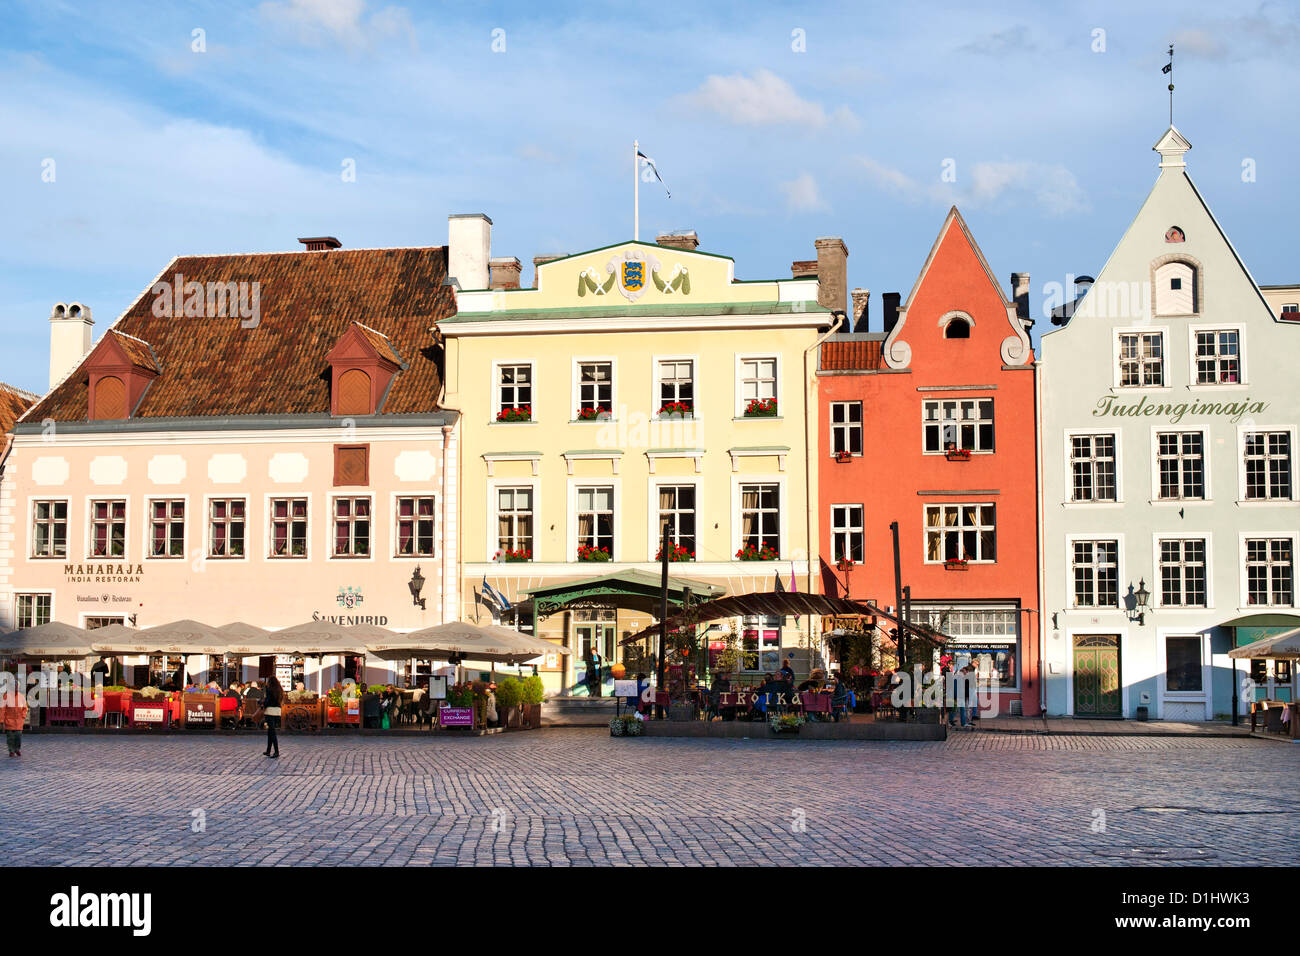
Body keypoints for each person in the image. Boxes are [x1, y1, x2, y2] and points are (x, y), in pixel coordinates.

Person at [0, 679, 29, 758]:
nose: (16, 687)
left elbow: (25, 708)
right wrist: (2, 721)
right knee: (10, 737)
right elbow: (2, 709)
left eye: (17, 686)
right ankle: (11, 750)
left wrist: (23, 716)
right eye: (14, 686)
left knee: (18, 736)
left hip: (19, 721)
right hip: (9, 720)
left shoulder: (21, 696)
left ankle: (17, 749)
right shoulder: (6, 696)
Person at [260, 677, 283, 758]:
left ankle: (276, 751)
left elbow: (268, 700)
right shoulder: (279, 690)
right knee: (270, 731)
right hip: (277, 711)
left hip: (270, 711)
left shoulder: (269, 689)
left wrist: (263, 704)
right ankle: (268, 750)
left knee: (272, 732)